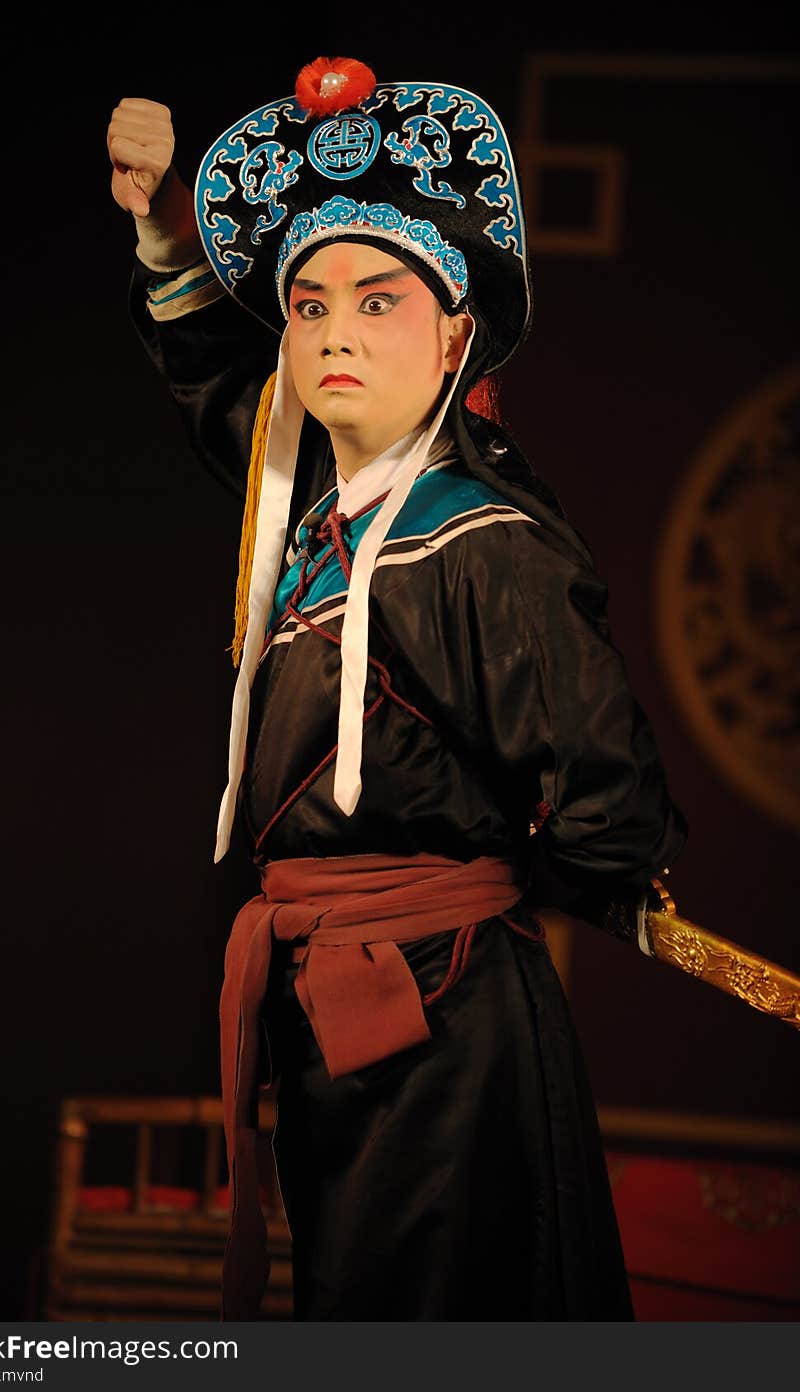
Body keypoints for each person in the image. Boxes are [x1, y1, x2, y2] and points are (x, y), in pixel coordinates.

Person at [106, 57, 687, 1322]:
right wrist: (163, 232)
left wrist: (458, 889)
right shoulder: (316, 519)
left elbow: (611, 807)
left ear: (453, 338)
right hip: (331, 1001)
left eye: (377, 304)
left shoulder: (485, 542)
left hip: (450, 1019)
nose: (334, 336)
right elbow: (229, 400)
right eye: (309, 309)